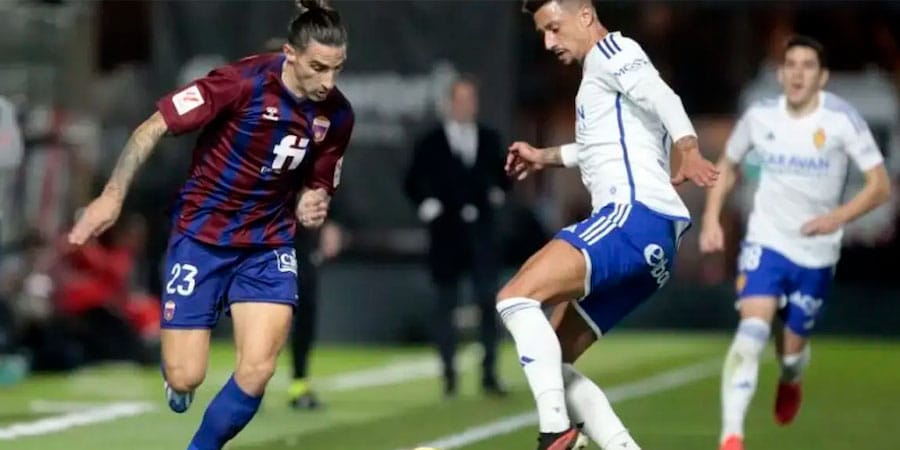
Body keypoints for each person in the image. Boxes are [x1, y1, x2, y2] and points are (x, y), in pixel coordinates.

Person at [67, 0, 354, 448]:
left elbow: (318, 182)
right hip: (201, 239)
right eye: (318, 68)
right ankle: (178, 380)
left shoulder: (337, 115)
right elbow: (153, 127)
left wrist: (310, 202)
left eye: (336, 69)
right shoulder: (239, 83)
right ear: (290, 54)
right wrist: (112, 196)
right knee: (186, 376)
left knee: (257, 370)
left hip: (267, 244)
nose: (327, 82)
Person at [500, 1, 719, 449]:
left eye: (554, 28)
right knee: (553, 358)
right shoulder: (601, 78)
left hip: (632, 219)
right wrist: (542, 157)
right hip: (656, 244)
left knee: (515, 296)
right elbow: (596, 147)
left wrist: (689, 149)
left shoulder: (613, 51)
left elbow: (663, 97)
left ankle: (555, 433)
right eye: (543, 33)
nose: (549, 42)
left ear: (585, 15)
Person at [699, 36, 890, 450]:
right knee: (751, 331)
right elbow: (728, 164)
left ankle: (791, 377)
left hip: (816, 254)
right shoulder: (760, 116)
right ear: (782, 73)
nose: (798, 73)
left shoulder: (842, 120)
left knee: (789, 354)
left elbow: (880, 186)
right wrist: (711, 218)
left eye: (808, 66)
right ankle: (731, 436)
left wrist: (838, 217)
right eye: (791, 65)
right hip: (766, 242)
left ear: (822, 77)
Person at [405, 76, 510, 398]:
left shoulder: (490, 139)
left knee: (487, 301)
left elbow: (505, 175)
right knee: (445, 305)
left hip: (481, 235)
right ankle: (449, 375)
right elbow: (411, 180)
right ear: (449, 104)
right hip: (446, 236)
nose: (465, 106)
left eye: (470, 99)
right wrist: (427, 205)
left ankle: (490, 374)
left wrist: (498, 193)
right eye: (460, 99)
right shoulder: (431, 142)